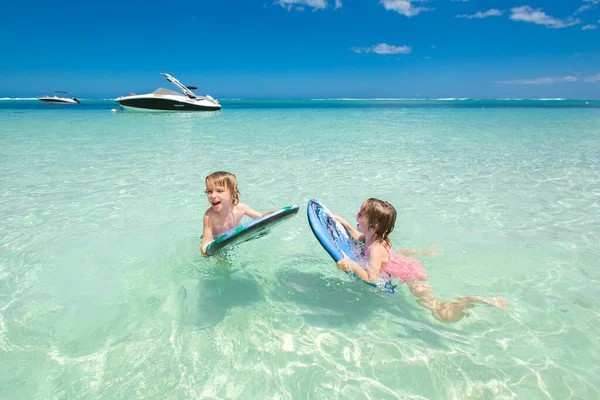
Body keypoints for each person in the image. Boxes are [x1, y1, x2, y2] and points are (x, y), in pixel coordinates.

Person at [335, 198, 507, 323]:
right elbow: (359, 238)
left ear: (373, 226)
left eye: (360, 215)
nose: (356, 216)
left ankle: (470, 301)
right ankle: (464, 300)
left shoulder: (376, 249)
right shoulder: (373, 238)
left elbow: (372, 278)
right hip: (404, 263)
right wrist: (344, 224)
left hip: (411, 275)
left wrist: (353, 266)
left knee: (438, 312)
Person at [200, 171, 273, 256]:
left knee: (263, 234)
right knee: (223, 262)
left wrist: (271, 214)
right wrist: (205, 248)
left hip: (237, 236)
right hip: (220, 243)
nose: (213, 196)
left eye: (219, 191)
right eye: (209, 191)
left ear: (233, 193)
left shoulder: (241, 208)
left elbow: (260, 216)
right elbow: (207, 239)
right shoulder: (209, 216)